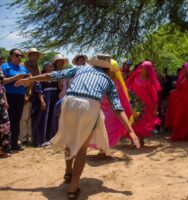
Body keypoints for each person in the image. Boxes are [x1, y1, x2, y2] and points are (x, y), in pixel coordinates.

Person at [15, 56, 140, 199]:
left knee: (69, 139)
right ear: (107, 69)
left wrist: (31, 79)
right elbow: (117, 108)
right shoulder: (108, 81)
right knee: (82, 149)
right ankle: (73, 190)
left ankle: (68, 171)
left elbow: (55, 75)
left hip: (68, 103)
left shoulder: (80, 68)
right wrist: (130, 131)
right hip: (89, 106)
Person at [126, 60, 161, 146]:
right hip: (135, 104)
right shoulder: (135, 78)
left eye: (146, 68)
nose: (143, 70)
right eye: (142, 68)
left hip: (147, 106)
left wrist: (155, 109)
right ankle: (133, 140)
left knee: (143, 123)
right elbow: (129, 89)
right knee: (133, 121)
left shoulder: (150, 82)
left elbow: (155, 96)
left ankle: (140, 139)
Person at [2, 48, 30, 151]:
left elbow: (28, 82)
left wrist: (28, 83)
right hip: (8, 96)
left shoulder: (23, 68)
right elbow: (2, 81)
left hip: (20, 96)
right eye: (17, 55)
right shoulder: (5, 66)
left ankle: (14, 143)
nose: (19, 57)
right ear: (11, 56)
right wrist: (15, 78)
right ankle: (6, 145)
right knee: (8, 120)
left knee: (17, 120)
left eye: (21, 56)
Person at [31, 62, 59, 147]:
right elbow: (39, 90)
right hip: (46, 98)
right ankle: (42, 140)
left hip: (54, 98)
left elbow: (60, 88)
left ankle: (52, 139)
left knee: (53, 118)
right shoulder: (42, 77)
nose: (52, 68)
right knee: (44, 118)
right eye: (50, 67)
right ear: (45, 67)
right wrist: (42, 101)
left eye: (52, 67)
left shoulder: (55, 77)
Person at [19, 48, 43, 145]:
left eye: (36, 55)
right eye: (33, 54)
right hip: (26, 92)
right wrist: (26, 94)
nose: (35, 56)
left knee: (31, 116)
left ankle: (30, 137)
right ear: (29, 55)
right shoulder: (22, 66)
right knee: (24, 116)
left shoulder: (38, 67)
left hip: (36, 93)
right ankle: (23, 138)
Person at [0, 64, 11, 157]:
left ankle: (2, 149)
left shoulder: (0, 69)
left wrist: (6, 101)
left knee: (5, 125)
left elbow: (2, 87)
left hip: (1, 101)